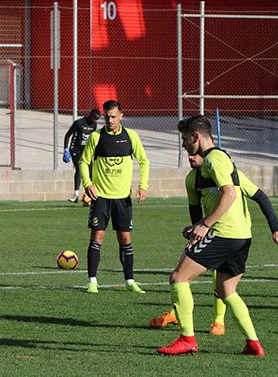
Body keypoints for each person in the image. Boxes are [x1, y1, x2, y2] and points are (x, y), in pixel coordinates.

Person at [157, 115, 266, 356]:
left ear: (196, 137)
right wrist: (197, 225)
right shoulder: (219, 159)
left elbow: (230, 194)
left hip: (223, 233)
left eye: (186, 139)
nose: (184, 145)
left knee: (178, 278)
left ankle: (187, 339)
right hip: (241, 235)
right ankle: (253, 344)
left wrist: (205, 224)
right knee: (227, 291)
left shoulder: (213, 160)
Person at [150, 152, 278, 334]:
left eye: (193, 152)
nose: (190, 156)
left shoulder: (232, 175)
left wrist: (276, 228)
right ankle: (177, 313)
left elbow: (260, 197)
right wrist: (196, 229)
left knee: (187, 276)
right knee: (185, 270)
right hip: (215, 232)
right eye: (188, 153)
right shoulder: (192, 179)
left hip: (231, 234)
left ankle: (217, 321)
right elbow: (195, 208)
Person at [78, 100, 149, 294]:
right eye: (107, 116)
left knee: (125, 238)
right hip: (101, 197)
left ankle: (130, 281)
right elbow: (84, 162)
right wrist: (87, 184)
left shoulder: (131, 137)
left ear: (121, 116)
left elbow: (144, 161)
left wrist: (143, 186)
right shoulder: (96, 137)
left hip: (123, 199)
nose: (109, 120)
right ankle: (92, 281)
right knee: (97, 236)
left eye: (113, 116)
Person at [63, 108, 101, 202]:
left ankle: (91, 194)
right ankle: (75, 195)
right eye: (93, 118)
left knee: (91, 172)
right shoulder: (79, 123)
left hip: (86, 151)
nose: (94, 121)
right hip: (75, 149)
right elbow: (68, 135)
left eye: (96, 119)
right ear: (90, 115)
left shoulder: (94, 125)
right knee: (80, 169)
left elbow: (92, 139)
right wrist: (66, 149)